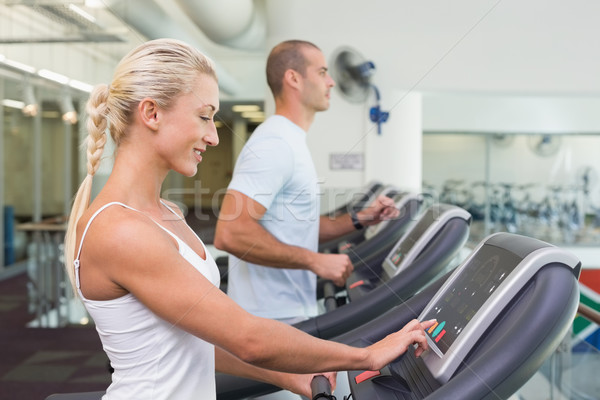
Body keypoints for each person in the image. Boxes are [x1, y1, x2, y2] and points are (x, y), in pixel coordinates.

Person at [63, 38, 433, 400]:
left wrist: (286, 375)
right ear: (152, 113)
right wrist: (366, 355)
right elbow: (248, 338)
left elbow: (195, 340)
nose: (212, 136)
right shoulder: (121, 230)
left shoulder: (167, 214)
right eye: (204, 117)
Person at [214, 40, 398, 323]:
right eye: (323, 72)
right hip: (271, 316)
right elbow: (230, 233)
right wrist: (315, 261)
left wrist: (361, 219)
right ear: (294, 79)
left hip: (288, 310)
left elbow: (301, 226)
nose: (332, 82)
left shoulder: (290, 140)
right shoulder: (274, 143)